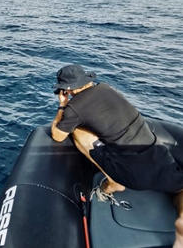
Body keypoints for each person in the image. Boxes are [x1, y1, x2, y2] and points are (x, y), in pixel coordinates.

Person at [50, 64, 183, 248]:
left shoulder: (75, 108)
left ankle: (113, 182)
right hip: (158, 155)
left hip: (133, 174)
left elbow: (57, 136)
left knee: (78, 132)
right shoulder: (105, 87)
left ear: (68, 89)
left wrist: (63, 105)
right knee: (180, 188)